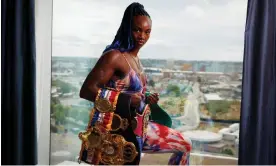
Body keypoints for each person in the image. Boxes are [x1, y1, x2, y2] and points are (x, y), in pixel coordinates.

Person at [78, 2, 192, 165]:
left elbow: (130, 91)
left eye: (147, 32)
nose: (142, 36)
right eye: (137, 30)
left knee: (185, 145)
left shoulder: (136, 60)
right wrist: (127, 100)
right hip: (118, 132)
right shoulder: (114, 57)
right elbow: (87, 91)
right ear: (127, 29)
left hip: (141, 127)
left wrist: (146, 97)